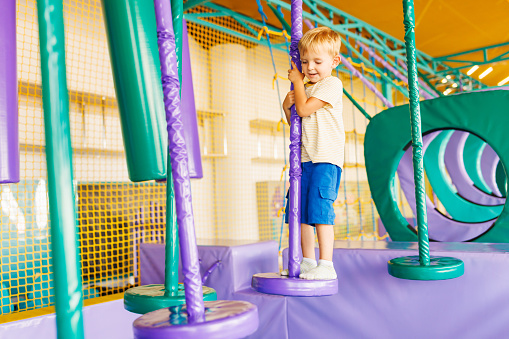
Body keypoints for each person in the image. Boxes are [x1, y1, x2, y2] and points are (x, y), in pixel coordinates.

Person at [282, 27, 344, 280]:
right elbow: (294, 121)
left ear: (334, 61)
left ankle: (326, 264)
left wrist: (297, 83)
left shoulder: (332, 83)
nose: (310, 67)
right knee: (301, 212)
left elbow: (305, 110)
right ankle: (307, 261)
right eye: (305, 61)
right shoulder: (306, 88)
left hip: (325, 159)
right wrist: (286, 106)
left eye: (318, 62)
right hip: (306, 159)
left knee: (319, 209)